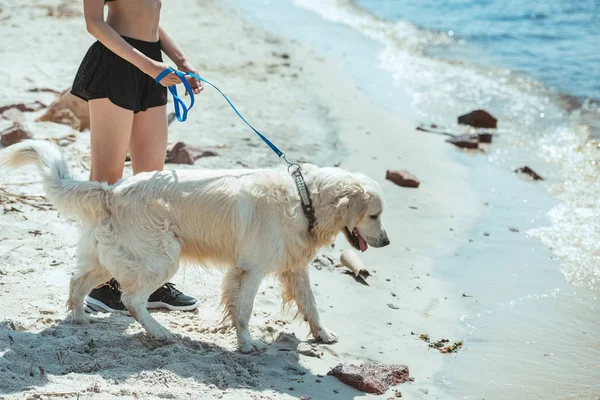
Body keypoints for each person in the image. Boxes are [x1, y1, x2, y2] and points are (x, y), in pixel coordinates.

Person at [71, 0, 202, 312]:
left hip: (151, 65)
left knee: (150, 184)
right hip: (116, 66)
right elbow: (94, 22)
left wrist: (181, 61)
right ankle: (100, 284)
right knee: (106, 181)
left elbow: (151, 17)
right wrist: (148, 65)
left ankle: (147, 280)